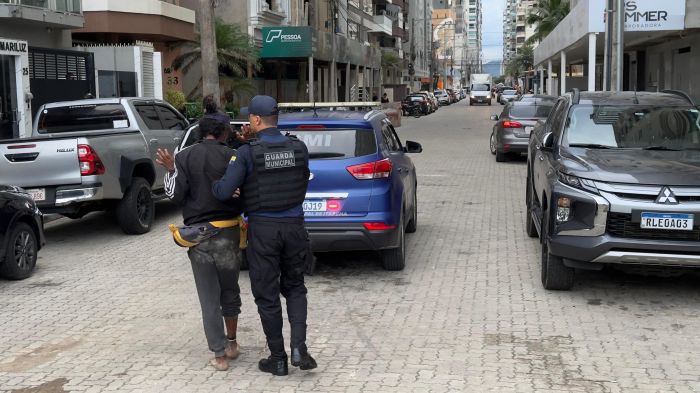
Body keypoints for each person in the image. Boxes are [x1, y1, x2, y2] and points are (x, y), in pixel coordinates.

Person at [212, 95, 317, 376]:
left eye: (249, 118)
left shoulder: (247, 153)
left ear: (256, 120)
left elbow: (223, 192)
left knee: (267, 294)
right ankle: (299, 348)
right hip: (295, 227)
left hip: (264, 230)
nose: (247, 122)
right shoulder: (299, 147)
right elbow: (302, 183)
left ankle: (278, 358)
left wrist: (221, 185)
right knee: (295, 287)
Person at [155, 116, 245, 372]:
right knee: (230, 291)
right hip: (229, 234)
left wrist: (171, 170)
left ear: (200, 133)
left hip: (199, 237)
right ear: (223, 133)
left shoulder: (183, 157)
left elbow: (174, 196)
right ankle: (232, 344)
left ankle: (219, 357)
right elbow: (245, 194)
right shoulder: (233, 156)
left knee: (209, 298)